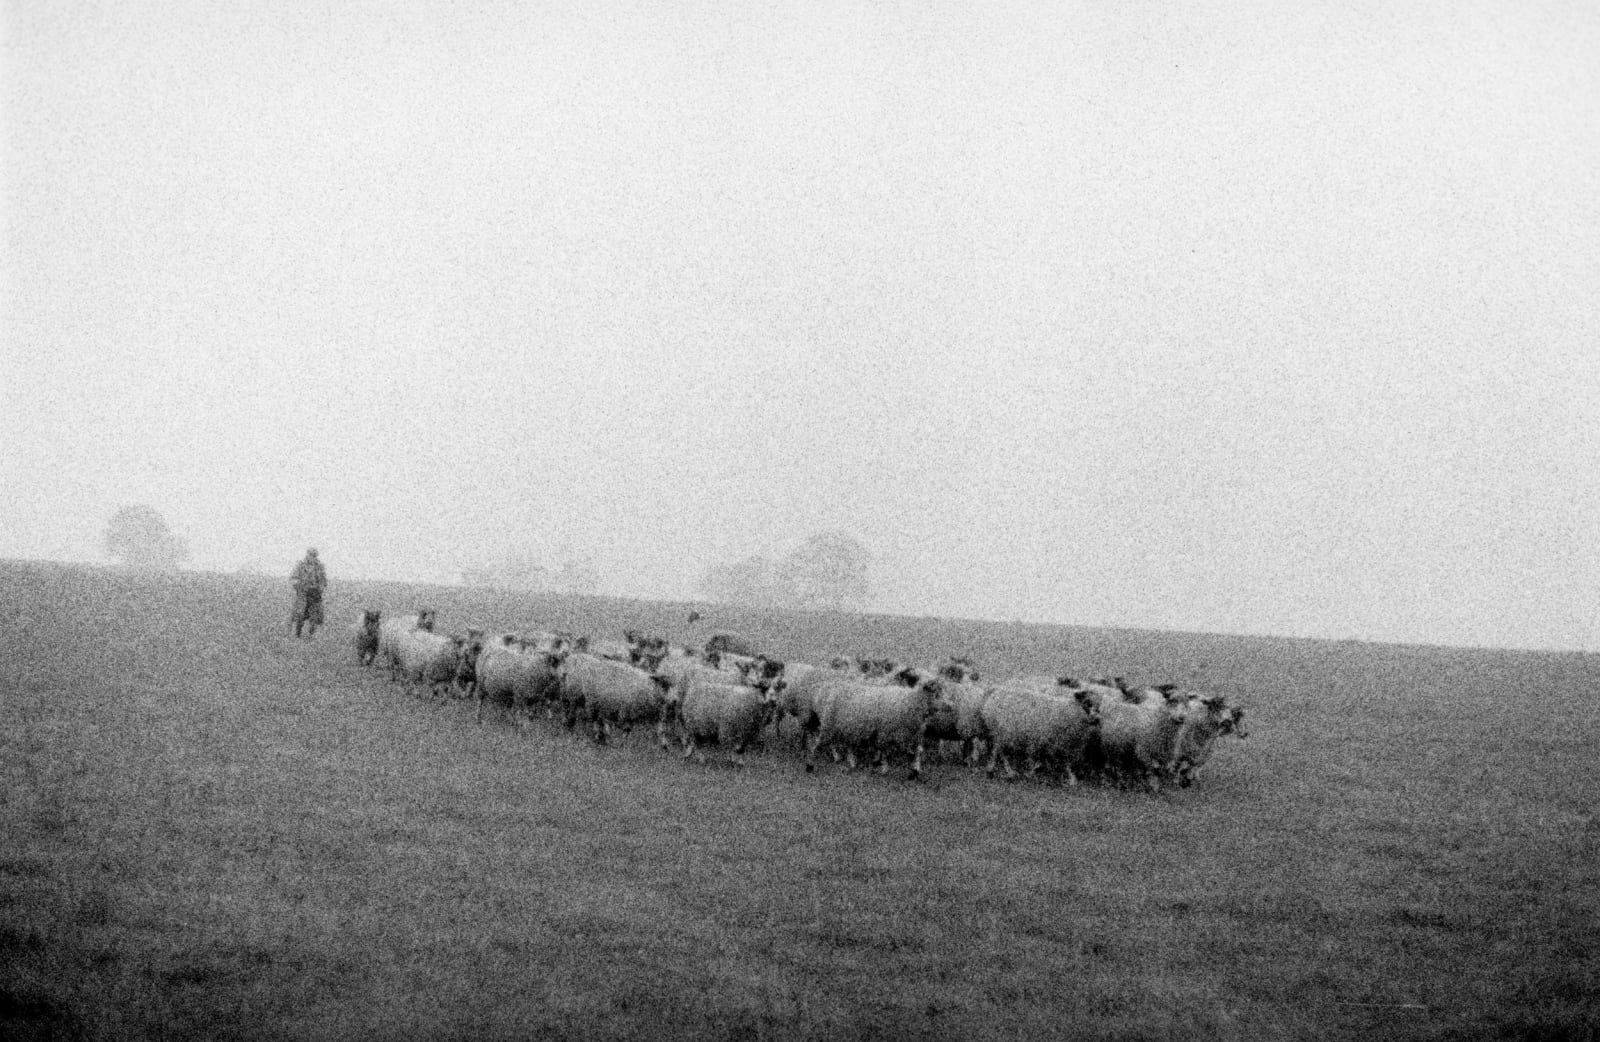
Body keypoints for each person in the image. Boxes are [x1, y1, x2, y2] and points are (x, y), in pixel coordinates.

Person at [290, 548, 328, 638]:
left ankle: (311, 636)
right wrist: (299, 586)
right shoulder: (300, 565)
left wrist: (320, 588)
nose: (312, 557)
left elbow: (323, 580)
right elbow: (293, 578)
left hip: (315, 595)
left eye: (314, 555)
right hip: (303, 594)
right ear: (307, 554)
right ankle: (296, 634)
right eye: (310, 554)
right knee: (299, 615)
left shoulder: (319, 567)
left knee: (315, 617)